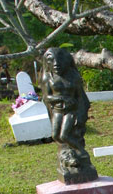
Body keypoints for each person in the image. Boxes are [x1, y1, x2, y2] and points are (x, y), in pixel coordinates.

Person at [41, 47, 98, 184]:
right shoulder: (48, 77)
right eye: (52, 61)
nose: (56, 64)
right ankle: (67, 155)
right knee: (56, 135)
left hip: (71, 111)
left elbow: (80, 97)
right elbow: (46, 97)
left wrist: (81, 114)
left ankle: (81, 153)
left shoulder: (73, 76)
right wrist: (61, 98)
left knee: (65, 135)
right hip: (57, 111)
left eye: (60, 60)